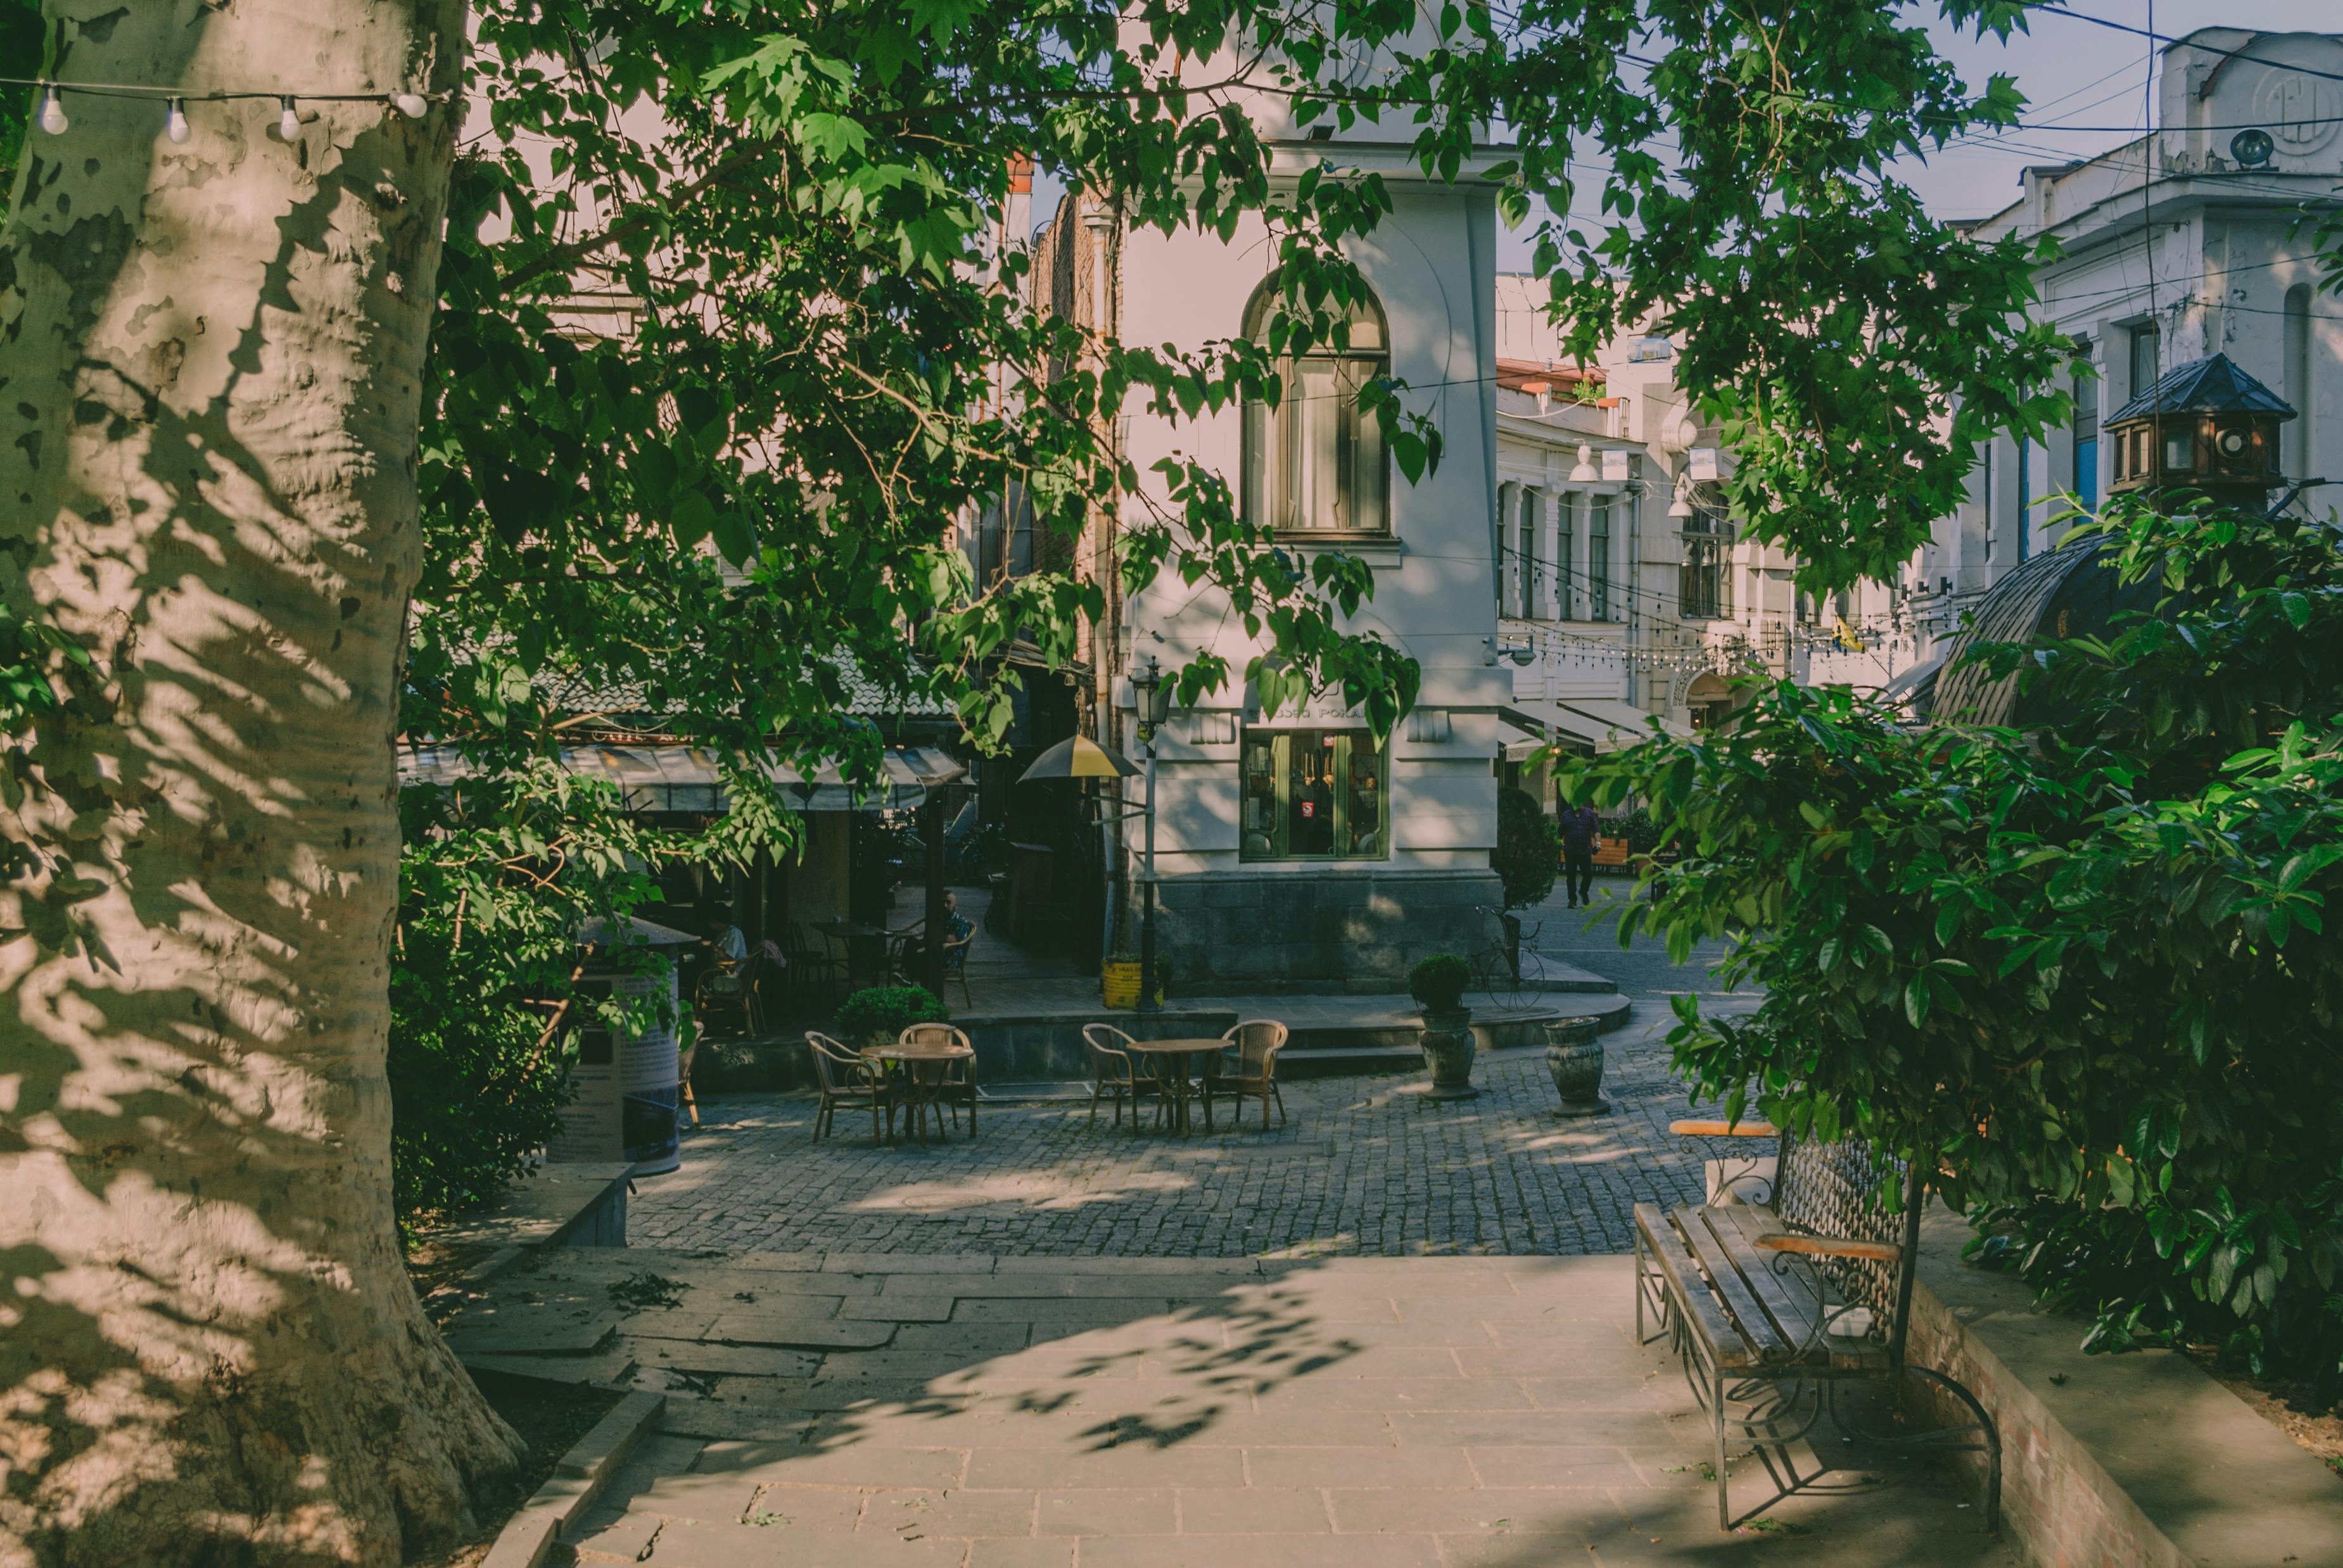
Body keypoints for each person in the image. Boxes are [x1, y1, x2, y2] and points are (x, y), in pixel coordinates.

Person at [1558, 801, 1601, 908]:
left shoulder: (1590, 814)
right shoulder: (1566, 815)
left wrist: (1598, 843)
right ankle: (1572, 899)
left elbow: (1596, 830)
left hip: (1585, 850)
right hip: (1570, 850)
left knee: (1588, 874)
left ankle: (1583, 891)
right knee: (1571, 875)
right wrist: (1559, 844)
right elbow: (1560, 833)